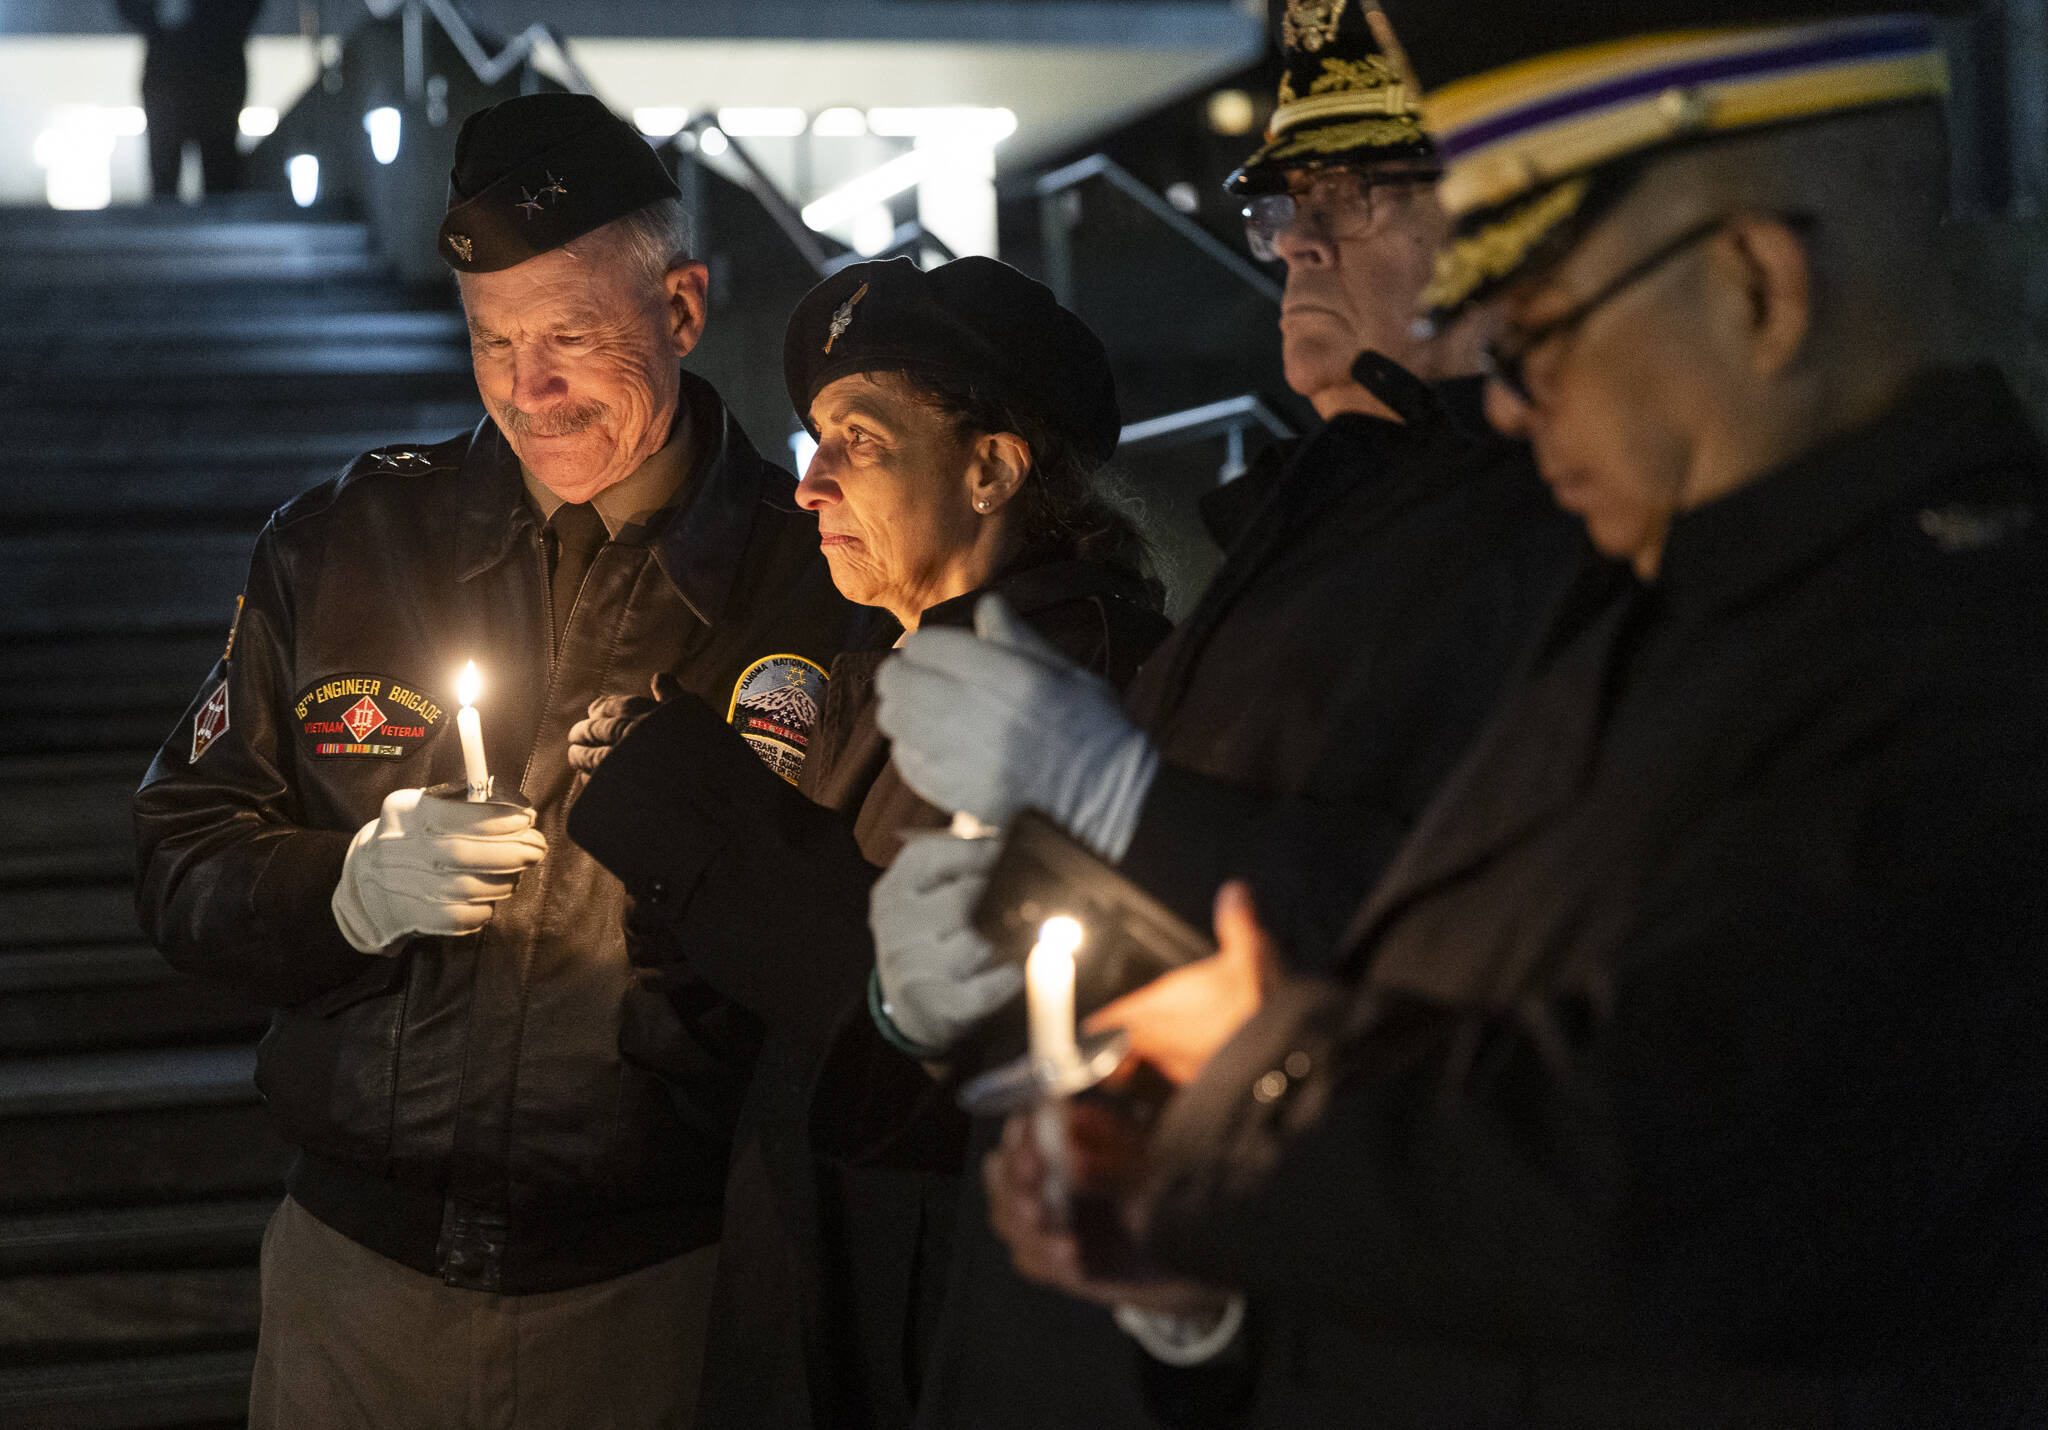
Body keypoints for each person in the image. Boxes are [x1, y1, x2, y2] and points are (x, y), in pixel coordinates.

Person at [985, 3, 2048, 1423]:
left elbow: (1666, 1191)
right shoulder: (1682, 599)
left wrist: (1267, 1078)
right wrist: (1205, 1263)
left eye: (1540, 325)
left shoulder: (1960, 670)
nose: (1513, 395)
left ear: (1752, 287)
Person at [860, 4, 1586, 1424]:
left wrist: (1130, 816)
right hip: (1155, 1284)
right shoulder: (1320, 505)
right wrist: (987, 960)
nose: (1302, 240)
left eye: (1363, 194)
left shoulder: (1554, 527)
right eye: (1285, 202)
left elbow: (1475, 944)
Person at [132, 93, 863, 1429]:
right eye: (493, 341)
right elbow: (181, 858)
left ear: (685, 310)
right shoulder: (344, 547)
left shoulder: (816, 582)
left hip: (659, 1290)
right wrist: (342, 890)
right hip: (353, 1287)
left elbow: (878, 965)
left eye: (572, 338)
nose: (530, 390)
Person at [563, 254, 1170, 1428]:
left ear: (992, 468)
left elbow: (912, 1033)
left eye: (859, 439)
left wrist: (686, 810)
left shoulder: (1087, 694)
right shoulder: (870, 682)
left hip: (943, 1340)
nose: (807, 485)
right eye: (810, 439)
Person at [114, 0, 262, 198]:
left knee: (218, 176)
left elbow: (247, 9)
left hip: (215, 76)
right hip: (174, 78)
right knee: (168, 179)